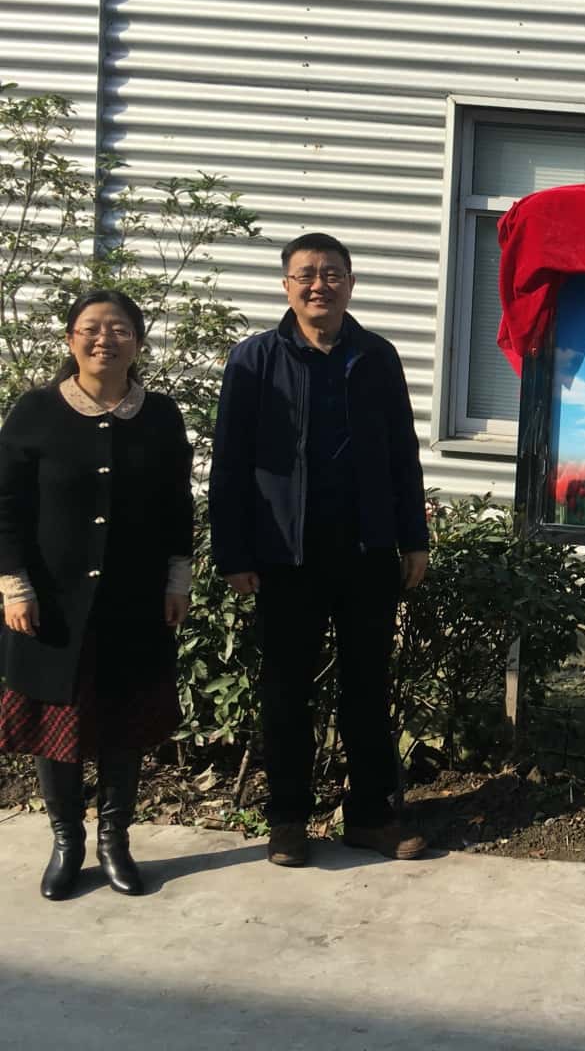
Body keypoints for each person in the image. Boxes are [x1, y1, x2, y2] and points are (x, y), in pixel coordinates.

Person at [210, 232, 429, 867]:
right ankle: (288, 821)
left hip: (366, 550)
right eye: (306, 274)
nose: (319, 285)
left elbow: (402, 454)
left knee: (367, 687)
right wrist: (234, 553)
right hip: (285, 555)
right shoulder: (254, 360)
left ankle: (370, 817)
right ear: (287, 285)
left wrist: (413, 538)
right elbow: (230, 462)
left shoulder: (377, 357)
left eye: (331, 273)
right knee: (286, 692)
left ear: (350, 284)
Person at [0, 290, 193, 900]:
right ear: (70, 339)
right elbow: (5, 506)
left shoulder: (159, 415)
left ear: (138, 342)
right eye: (91, 328)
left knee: (124, 721)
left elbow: (177, 504)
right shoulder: (35, 411)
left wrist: (177, 579)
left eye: (119, 329)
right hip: (51, 604)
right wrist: (13, 584)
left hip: (133, 601)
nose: (104, 339)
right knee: (57, 723)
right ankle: (67, 842)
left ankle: (115, 842)